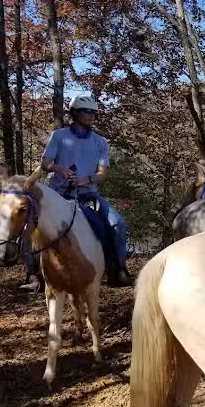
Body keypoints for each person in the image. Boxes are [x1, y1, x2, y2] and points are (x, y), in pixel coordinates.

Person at [39, 95, 134, 287]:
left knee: (118, 223)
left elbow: (102, 173)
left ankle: (117, 269)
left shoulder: (100, 142)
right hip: (59, 194)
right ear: (75, 113)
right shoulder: (59, 136)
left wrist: (87, 179)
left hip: (88, 194)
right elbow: (45, 164)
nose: (91, 116)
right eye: (87, 111)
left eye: (94, 113)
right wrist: (60, 169)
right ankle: (34, 274)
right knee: (33, 223)